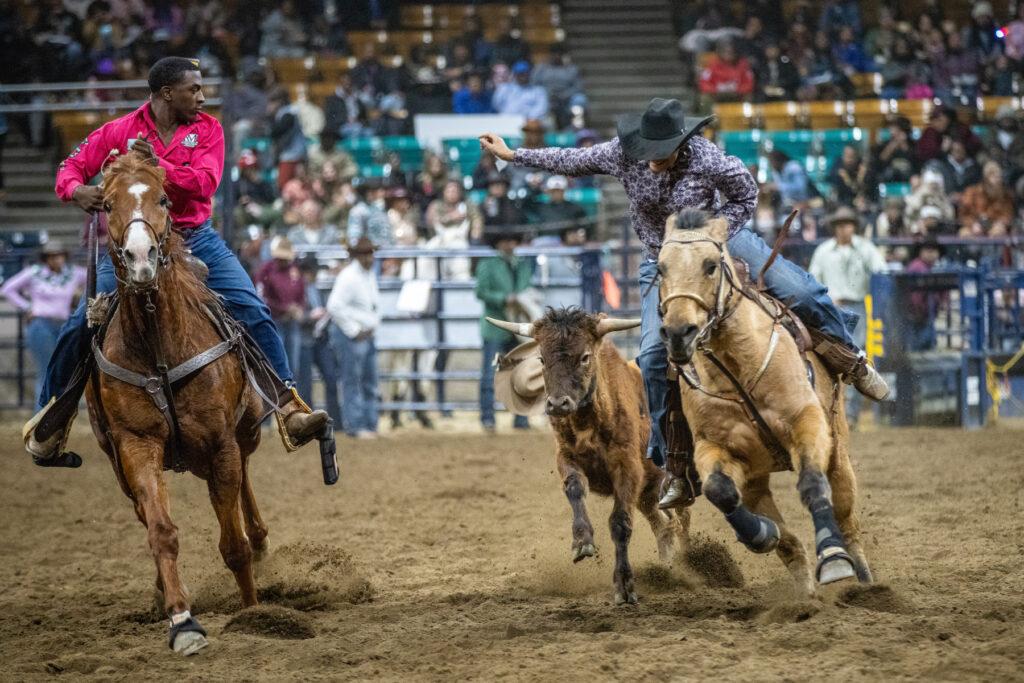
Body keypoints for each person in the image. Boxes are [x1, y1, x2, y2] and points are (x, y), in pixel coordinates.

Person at [479, 97, 889, 507]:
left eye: (663, 153)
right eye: (648, 152)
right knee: (654, 354)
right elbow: (573, 159)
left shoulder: (708, 158)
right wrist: (512, 154)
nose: (654, 160)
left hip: (716, 242)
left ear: (681, 142)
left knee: (799, 290)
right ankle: (671, 462)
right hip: (662, 259)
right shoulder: (623, 153)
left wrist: (716, 233)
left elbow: (746, 194)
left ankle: (852, 359)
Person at [27, 56, 327, 464]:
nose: (202, 97)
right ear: (167, 93)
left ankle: (289, 407)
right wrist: (76, 190)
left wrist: (158, 164)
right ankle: (50, 420)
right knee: (83, 319)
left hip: (194, 237)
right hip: (135, 239)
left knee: (252, 307)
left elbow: (204, 185)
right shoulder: (118, 131)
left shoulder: (209, 131)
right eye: (194, 89)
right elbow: (71, 167)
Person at [809, 208, 887, 429]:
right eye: (840, 224)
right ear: (835, 227)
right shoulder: (824, 251)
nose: (844, 228)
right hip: (830, 308)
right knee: (828, 356)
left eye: (848, 223)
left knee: (854, 355)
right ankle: (832, 410)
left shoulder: (865, 248)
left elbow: (881, 270)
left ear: (854, 226)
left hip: (856, 306)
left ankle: (850, 415)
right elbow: (813, 281)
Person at [1, 241, 87, 403]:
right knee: (46, 370)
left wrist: (81, 302)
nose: (56, 259)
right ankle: (42, 415)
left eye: (59, 255)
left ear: (64, 256)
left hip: (65, 325)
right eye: (52, 256)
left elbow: (95, 277)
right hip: (41, 324)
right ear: (45, 258)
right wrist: (27, 307)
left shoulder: (73, 273)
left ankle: (58, 415)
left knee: (64, 370)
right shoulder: (34, 272)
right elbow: (7, 288)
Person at [475, 227, 531, 434]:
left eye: (512, 241)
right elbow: (481, 291)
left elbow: (482, 291)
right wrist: (504, 298)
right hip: (497, 326)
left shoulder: (521, 265)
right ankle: (489, 418)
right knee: (492, 375)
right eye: (505, 241)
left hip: (513, 327)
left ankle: (520, 418)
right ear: (498, 244)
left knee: (520, 374)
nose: (509, 245)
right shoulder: (489, 265)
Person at [326, 237, 381, 439]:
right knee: (354, 380)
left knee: (367, 381)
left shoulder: (366, 275)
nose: (369, 256)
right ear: (358, 255)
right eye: (365, 253)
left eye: (370, 252)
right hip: (352, 336)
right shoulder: (349, 277)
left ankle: (369, 423)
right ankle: (356, 425)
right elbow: (334, 306)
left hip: (365, 334)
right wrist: (354, 330)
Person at [295, 257, 343, 427]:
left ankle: (336, 422)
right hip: (305, 340)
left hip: (319, 339)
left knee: (330, 379)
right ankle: (310, 422)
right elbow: (296, 317)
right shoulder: (298, 290)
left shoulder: (315, 289)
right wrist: (311, 317)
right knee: (305, 384)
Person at [255, 237, 306, 379]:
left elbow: (302, 293)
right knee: (275, 361)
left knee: (293, 364)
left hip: (292, 321)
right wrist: (284, 308)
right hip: (273, 322)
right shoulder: (265, 270)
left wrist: (299, 308)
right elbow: (261, 298)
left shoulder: (295, 270)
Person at [905, 236, 945, 351]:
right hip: (916, 316)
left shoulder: (934, 267)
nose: (931, 253)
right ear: (921, 252)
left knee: (925, 344)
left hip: (925, 315)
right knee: (917, 346)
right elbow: (914, 298)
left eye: (934, 250)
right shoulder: (917, 267)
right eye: (927, 250)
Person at [958, 161, 1016, 237]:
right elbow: (964, 215)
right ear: (985, 178)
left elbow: (1008, 215)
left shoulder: (1006, 195)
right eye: (992, 175)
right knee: (964, 233)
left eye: (998, 176)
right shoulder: (971, 193)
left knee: (999, 233)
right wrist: (973, 224)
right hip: (975, 226)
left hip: (995, 227)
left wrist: (1000, 223)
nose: (997, 179)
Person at [348, 180, 393, 246]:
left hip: (385, 252)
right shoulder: (358, 211)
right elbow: (354, 238)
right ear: (369, 193)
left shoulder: (381, 209)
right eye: (379, 190)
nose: (383, 193)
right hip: (368, 253)